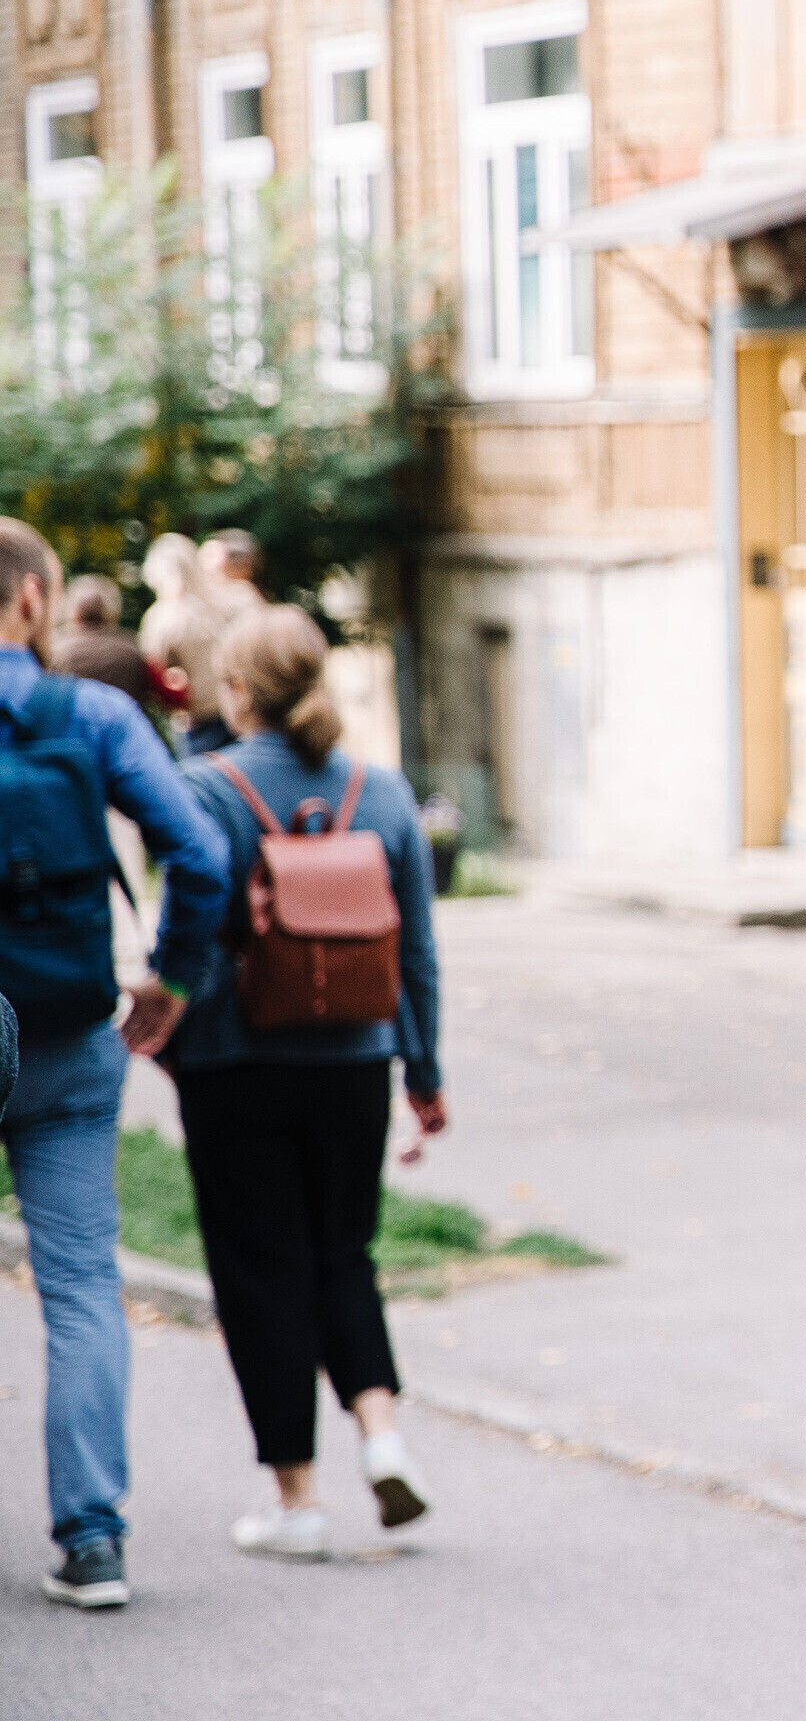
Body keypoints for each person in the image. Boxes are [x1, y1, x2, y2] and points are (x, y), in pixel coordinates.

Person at [166, 605, 446, 1563]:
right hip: (356, 1060)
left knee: (260, 1272)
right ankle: (383, 1436)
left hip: (234, 1061)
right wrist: (424, 1071)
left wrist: (163, 1015)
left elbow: (186, 925)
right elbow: (419, 951)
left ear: (237, 691)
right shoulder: (384, 791)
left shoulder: (206, 789)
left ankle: (296, 1503)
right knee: (343, 1252)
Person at [0, 520, 230, 1612]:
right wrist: (171, 979)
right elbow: (200, 849)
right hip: (68, 1034)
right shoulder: (91, 714)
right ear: (34, 600)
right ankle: (92, 1538)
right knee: (85, 1284)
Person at [139, 534, 232, 756]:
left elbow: (154, 673)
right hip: (233, 711)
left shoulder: (161, 618)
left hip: (195, 720)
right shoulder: (228, 603)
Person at [50, 576, 165, 716]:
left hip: (66, 726)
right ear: (112, 611)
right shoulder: (134, 650)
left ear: (73, 611)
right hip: (123, 725)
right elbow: (162, 693)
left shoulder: (52, 649)